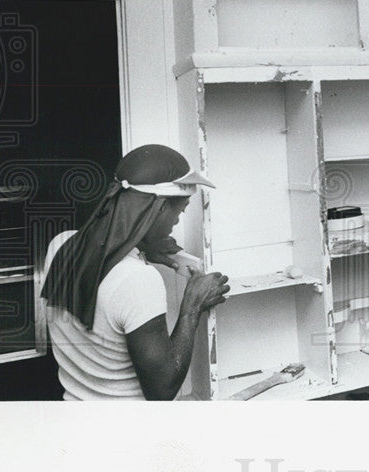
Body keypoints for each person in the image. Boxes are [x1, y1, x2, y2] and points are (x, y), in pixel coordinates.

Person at [40, 144, 229, 400]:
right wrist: (193, 305)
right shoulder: (138, 280)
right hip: (128, 429)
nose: (177, 221)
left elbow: (103, 269)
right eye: (180, 210)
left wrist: (142, 246)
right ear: (159, 206)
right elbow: (162, 390)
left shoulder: (61, 245)